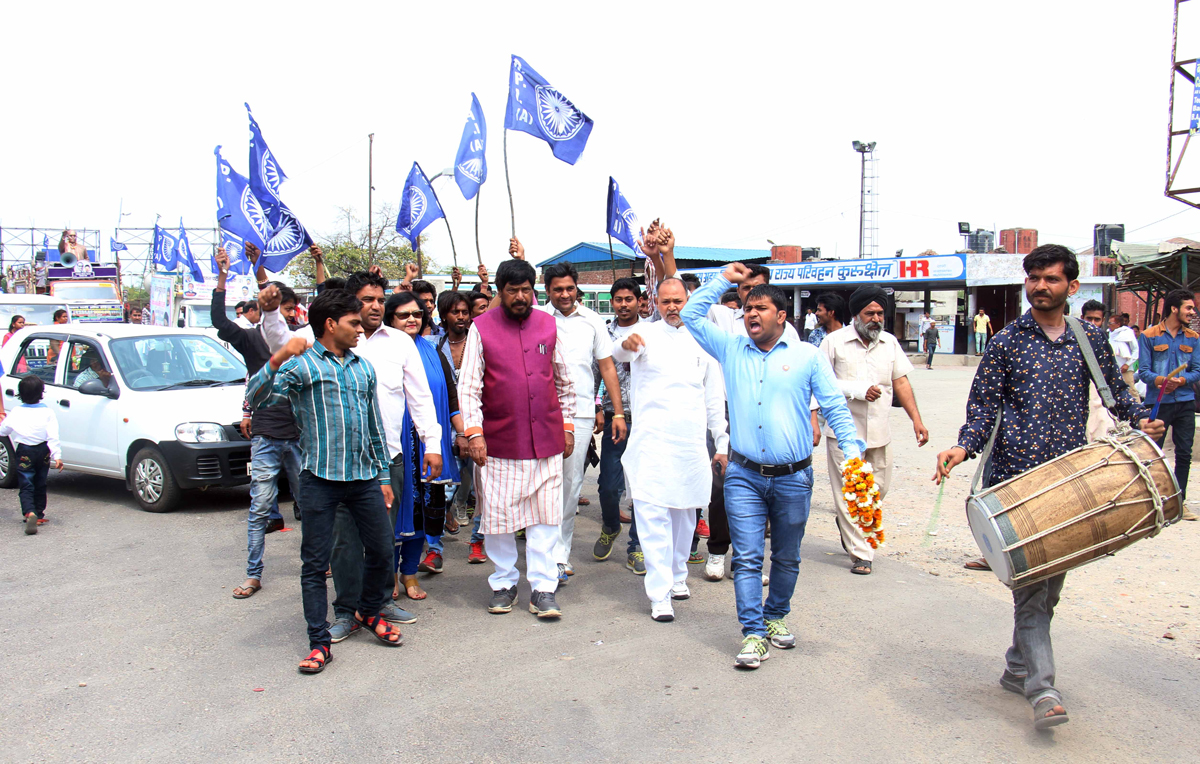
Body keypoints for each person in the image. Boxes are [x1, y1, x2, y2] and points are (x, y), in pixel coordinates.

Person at [935, 244, 1160, 730]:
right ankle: (1042, 689)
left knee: (1049, 587)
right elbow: (983, 408)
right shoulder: (1006, 341)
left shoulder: (1090, 338)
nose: (1040, 286)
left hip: (1070, 480)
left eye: (1051, 279)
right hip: (1016, 483)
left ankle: (1017, 667)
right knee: (1034, 593)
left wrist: (1143, 419)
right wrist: (962, 447)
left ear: (1071, 286)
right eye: (1033, 278)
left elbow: (1115, 394)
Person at [682, 262, 864, 669]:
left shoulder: (807, 356)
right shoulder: (730, 349)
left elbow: (834, 406)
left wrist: (852, 452)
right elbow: (691, 314)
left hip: (794, 478)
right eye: (747, 308)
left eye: (760, 308)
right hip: (744, 476)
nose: (751, 314)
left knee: (786, 557)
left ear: (781, 316)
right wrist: (723, 280)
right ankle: (753, 633)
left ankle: (775, 615)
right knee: (747, 558)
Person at [246, 290, 403, 674]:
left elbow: (374, 426)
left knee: (383, 551)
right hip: (319, 480)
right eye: (354, 323)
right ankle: (319, 642)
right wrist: (279, 357)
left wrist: (383, 475)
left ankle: (368, 611)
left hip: (364, 478)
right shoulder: (301, 367)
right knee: (315, 565)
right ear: (331, 325)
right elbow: (256, 399)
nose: (360, 329)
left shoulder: (363, 368)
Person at [459, 258, 575, 618]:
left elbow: (565, 381)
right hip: (498, 443)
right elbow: (469, 386)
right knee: (498, 518)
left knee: (545, 519)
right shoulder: (481, 327)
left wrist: (568, 426)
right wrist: (474, 433)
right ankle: (503, 583)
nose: (520, 297)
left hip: (546, 441)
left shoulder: (549, 325)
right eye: (513, 291)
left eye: (526, 290)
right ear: (500, 291)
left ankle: (543, 589)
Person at [613, 277, 727, 622]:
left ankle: (678, 575)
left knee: (685, 514)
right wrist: (626, 344)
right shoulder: (644, 333)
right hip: (652, 443)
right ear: (655, 303)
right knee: (652, 516)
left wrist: (721, 442)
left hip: (689, 445)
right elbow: (619, 352)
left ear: (688, 301)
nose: (673, 307)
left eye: (678, 301)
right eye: (666, 302)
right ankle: (659, 593)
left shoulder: (704, 339)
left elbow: (714, 398)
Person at [819, 285, 929, 575]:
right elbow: (820, 383)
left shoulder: (889, 343)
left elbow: (901, 382)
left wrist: (917, 420)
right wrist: (857, 390)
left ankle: (848, 525)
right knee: (851, 492)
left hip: (880, 432)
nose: (876, 319)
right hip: (844, 434)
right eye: (870, 313)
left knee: (877, 489)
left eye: (880, 313)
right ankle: (861, 553)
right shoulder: (833, 342)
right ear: (856, 315)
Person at [213, 248, 302, 599]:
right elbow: (220, 321)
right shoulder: (250, 338)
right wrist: (223, 275)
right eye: (283, 307)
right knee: (260, 506)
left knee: (311, 504)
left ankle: (319, 561)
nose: (288, 313)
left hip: (301, 435)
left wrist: (259, 267)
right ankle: (253, 574)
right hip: (266, 435)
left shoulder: (300, 339)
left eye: (291, 308)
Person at [537, 259, 626, 583]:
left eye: (569, 288)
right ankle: (540, 551)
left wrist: (617, 412)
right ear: (547, 290)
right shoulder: (537, 319)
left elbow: (607, 367)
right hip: (540, 413)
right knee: (541, 483)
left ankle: (559, 555)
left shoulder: (592, 321)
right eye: (557, 289)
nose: (564, 294)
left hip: (581, 413)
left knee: (571, 484)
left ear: (577, 289)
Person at [377, 291, 460, 588]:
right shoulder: (378, 350)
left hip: (428, 445)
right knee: (391, 512)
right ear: (389, 319)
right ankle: (388, 575)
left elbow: (451, 396)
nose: (412, 319)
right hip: (393, 446)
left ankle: (410, 573)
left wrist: (463, 433)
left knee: (423, 513)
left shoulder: (433, 351)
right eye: (403, 315)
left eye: (416, 313)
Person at [591, 278, 643, 569]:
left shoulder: (651, 331)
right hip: (614, 419)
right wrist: (597, 408)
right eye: (619, 299)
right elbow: (594, 373)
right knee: (609, 486)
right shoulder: (602, 332)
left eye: (629, 299)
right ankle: (611, 526)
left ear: (639, 301)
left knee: (643, 488)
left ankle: (637, 546)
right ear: (612, 302)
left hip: (647, 421)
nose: (624, 305)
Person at [1137, 288, 1200, 521]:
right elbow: (1143, 372)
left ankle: (1179, 502)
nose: (1193, 312)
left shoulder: (1194, 338)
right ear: (1174, 308)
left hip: (1185, 402)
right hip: (1158, 402)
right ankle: (1152, 503)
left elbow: (1197, 371)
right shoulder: (1149, 335)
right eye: (1189, 308)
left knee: (1184, 453)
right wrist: (1162, 381)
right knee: (1154, 454)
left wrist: (1181, 381)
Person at [438, 291, 486, 562]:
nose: (461, 317)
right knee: (443, 487)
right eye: (455, 312)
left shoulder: (479, 342)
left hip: (479, 426)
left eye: (465, 312)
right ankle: (434, 547)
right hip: (445, 427)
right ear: (443, 315)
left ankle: (477, 541)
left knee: (483, 489)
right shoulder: (434, 345)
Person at [0, 376, 63, 534]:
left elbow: (3, 431)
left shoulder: (16, 411)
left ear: (20, 394)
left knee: (26, 483)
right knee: (40, 482)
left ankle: (30, 512)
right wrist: (57, 456)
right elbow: (53, 436)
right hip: (43, 450)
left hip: (24, 451)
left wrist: (3, 420)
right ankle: (39, 513)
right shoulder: (48, 412)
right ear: (41, 393)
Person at [1081, 301, 1118, 442]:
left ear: (1103, 321)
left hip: (1099, 397)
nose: (1092, 323)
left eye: (1096, 320)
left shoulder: (1102, 340)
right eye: (1089, 319)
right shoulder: (1072, 339)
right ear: (1082, 318)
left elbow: (1112, 378)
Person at [1107, 313, 1140, 402]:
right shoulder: (1110, 334)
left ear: (1118, 324)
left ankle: (1138, 407)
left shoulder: (1127, 333)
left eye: (1110, 323)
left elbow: (1136, 350)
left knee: (1131, 390)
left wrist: (1127, 364)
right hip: (1114, 368)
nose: (1108, 325)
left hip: (1125, 368)